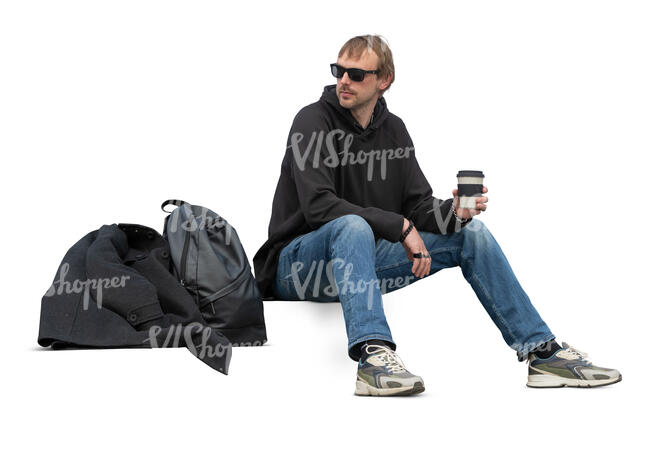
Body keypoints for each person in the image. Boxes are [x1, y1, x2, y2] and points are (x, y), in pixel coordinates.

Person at [252, 35, 621, 396]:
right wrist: (399, 226)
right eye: (339, 71)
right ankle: (374, 358)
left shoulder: (393, 130)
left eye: (356, 74)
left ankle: (541, 353)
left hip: (360, 264)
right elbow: (319, 207)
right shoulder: (311, 121)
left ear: (384, 80)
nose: (343, 81)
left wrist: (454, 213)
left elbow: (416, 205)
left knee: (472, 234)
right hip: (297, 265)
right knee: (351, 226)